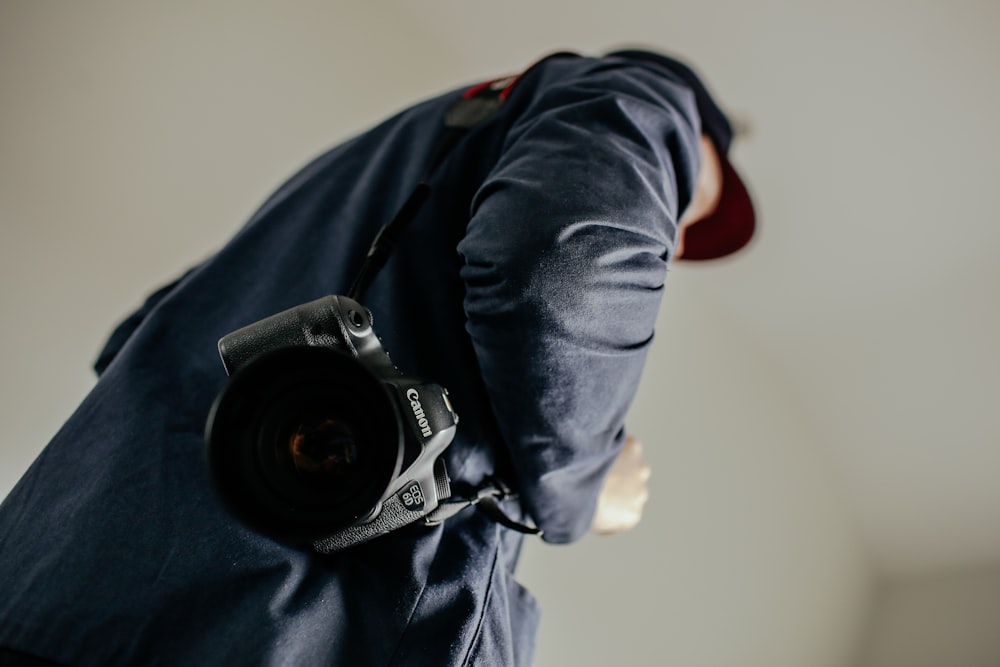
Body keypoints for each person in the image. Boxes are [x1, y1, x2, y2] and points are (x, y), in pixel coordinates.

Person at [0, 48, 755, 666]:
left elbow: (134, 337)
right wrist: (589, 485)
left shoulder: (365, 165)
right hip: (275, 630)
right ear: (702, 140)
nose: (677, 237)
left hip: (52, 580)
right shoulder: (642, 94)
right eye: (696, 202)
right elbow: (556, 273)